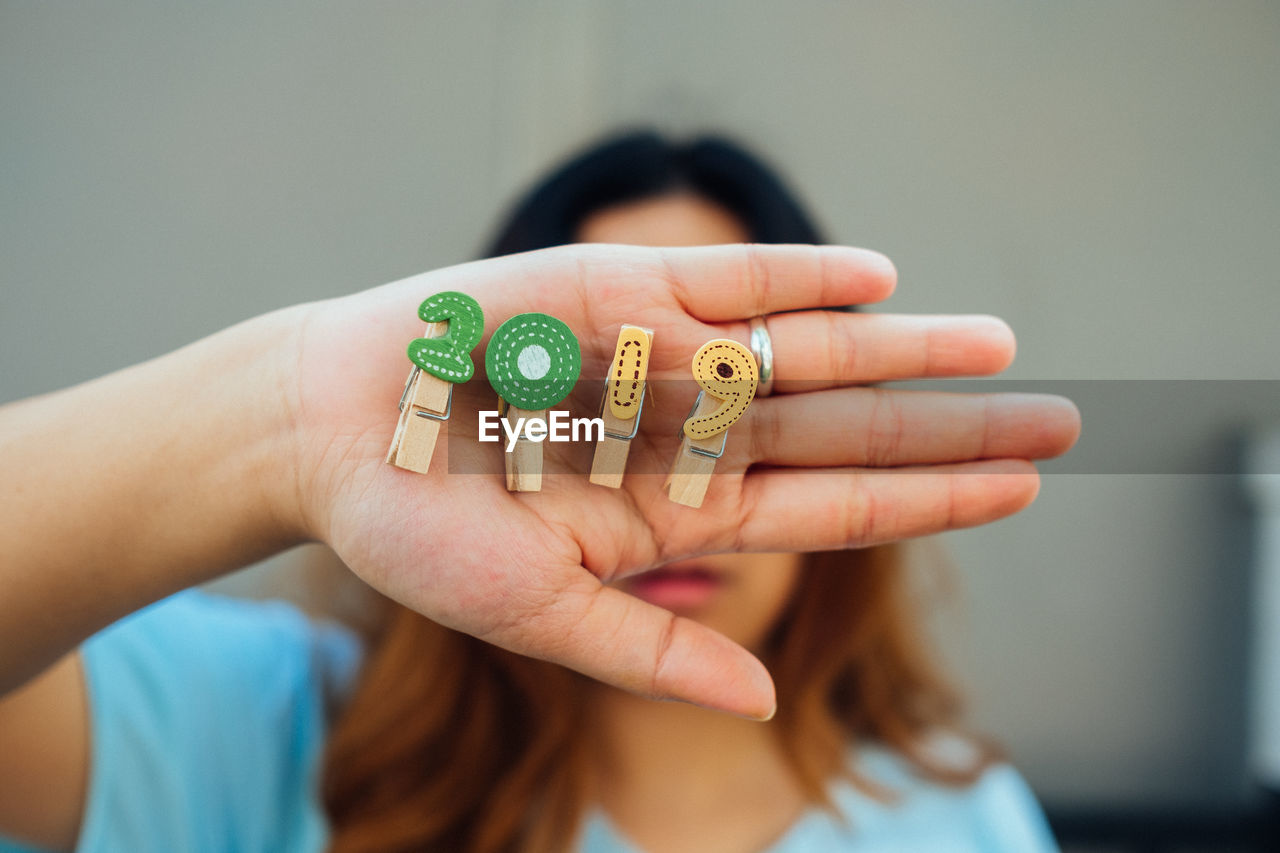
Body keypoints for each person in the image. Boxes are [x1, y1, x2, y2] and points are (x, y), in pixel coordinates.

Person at [0, 131, 1079, 853]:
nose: (671, 480)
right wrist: (289, 418)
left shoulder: (962, 822)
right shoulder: (257, 727)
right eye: (604, 387)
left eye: (737, 396)